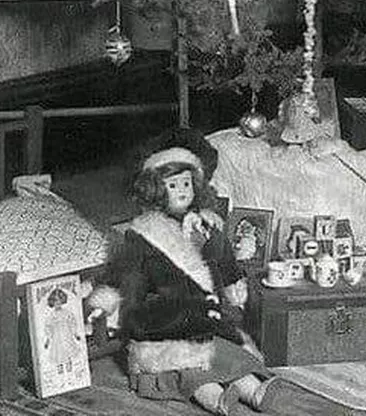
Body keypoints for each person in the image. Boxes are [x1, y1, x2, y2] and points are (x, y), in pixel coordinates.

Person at [114, 128, 277, 415]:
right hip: (162, 319)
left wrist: (230, 281)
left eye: (186, 184)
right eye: (172, 185)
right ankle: (214, 397)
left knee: (223, 352)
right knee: (186, 363)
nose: (181, 192)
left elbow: (222, 258)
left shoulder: (204, 224)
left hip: (202, 312)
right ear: (155, 189)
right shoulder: (142, 233)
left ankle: (252, 388)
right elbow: (132, 278)